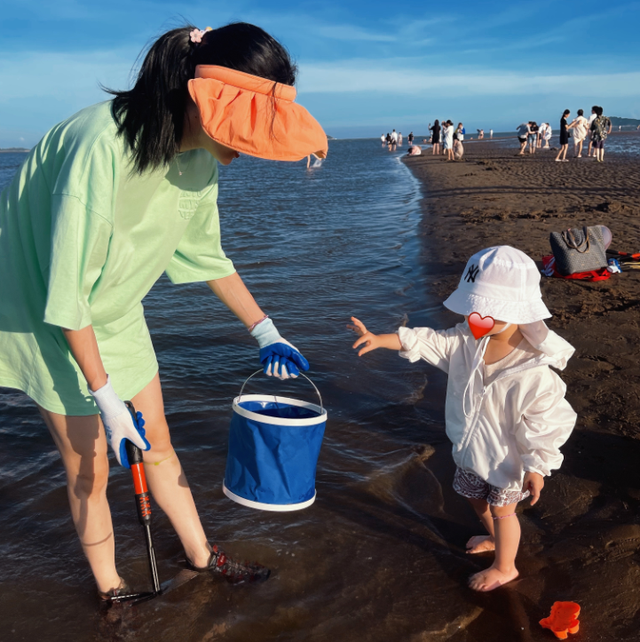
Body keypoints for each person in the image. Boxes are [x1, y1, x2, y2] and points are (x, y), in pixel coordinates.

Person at [0, 22, 328, 599]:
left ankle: (202, 556)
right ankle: (112, 591)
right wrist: (105, 398)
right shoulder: (99, 147)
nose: (248, 148)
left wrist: (264, 329)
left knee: (159, 442)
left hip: (115, 301)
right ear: (201, 97)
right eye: (246, 130)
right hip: (44, 309)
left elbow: (207, 256)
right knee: (91, 468)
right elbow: (67, 293)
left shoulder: (199, 154)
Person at [349, 246, 576, 592]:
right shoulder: (469, 341)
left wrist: (536, 466)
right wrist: (382, 339)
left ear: (519, 311)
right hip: (471, 450)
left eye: (489, 311)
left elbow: (546, 422)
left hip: (508, 462)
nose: (476, 317)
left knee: (504, 512)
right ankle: (493, 537)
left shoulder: (534, 372)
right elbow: (430, 342)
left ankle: (506, 566)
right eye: (473, 307)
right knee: (472, 497)